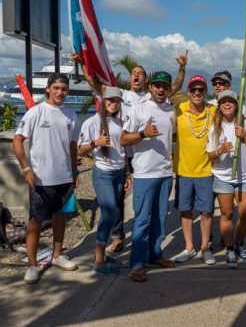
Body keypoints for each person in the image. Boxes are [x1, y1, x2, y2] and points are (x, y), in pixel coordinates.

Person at [73, 51, 186, 252]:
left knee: (146, 206)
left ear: (145, 81)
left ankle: (152, 250)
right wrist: (83, 62)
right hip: (126, 149)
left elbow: (174, 87)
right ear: (130, 78)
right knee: (119, 202)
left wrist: (182, 68)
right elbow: (94, 83)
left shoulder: (156, 99)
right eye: (133, 72)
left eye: (140, 73)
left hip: (143, 155)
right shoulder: (122, 95)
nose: (136, 75)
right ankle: (118, 236)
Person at [13, 73, 80, 284]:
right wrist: (26, 169)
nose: (61, 92)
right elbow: (17, 140)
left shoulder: (71, 115)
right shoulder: (35, 112)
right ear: (48, 89)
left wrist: (74, 171)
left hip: (65, 177)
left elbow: (72, 146)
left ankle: (57, 256)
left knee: (60, 218)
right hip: (40, 179)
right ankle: (32, 265)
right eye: (57, 88)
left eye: (64, 89)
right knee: (35, 222)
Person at [120, 71, 177, 283]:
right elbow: (123, 140)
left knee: (160, 219)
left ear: (169, 89)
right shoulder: (138, 109)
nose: (161, 89)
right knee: (142, 220)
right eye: (157, 85)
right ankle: (137, 263)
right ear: (151, 87)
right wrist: (143, 134)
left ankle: (155, 254)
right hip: (144, 173)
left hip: (165, 173)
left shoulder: (172, 110)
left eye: (165, 86)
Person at [77, 87, 130, 275]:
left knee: (109, 215)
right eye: (110, 100)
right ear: (103, 101)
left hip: (118, 173)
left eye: (117, 100)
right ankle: (99, 261)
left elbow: (122, 152)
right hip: (103, 173)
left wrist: (126, 173)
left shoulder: (120, 122)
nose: (113, 103)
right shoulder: (91, 123)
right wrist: (96, 143)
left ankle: (101, 254)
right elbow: (78, 150)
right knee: (110, 213)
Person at [207, 90, 246, 268]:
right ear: (219, 107)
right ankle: (229, 248)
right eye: (223, 102)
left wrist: (245, 137)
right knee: (227, 214)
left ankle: (239, 244)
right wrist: (220, 150)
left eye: (230, 101)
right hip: (223, 176)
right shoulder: (215, 128)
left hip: (243, 177)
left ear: (237, 105)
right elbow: (210, 155)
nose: (227, 104)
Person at [172, 75, 216, 265]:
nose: (197, 93)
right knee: (185, 210)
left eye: (201, 90)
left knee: (206, 212)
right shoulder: (178, 110)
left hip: (206, 170)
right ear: (188, 92)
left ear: (206, 92)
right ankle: (189, 247)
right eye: (193, 90)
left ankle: (205, 248)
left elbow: (235, 114)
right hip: (183, 170)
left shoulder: (214, 111)